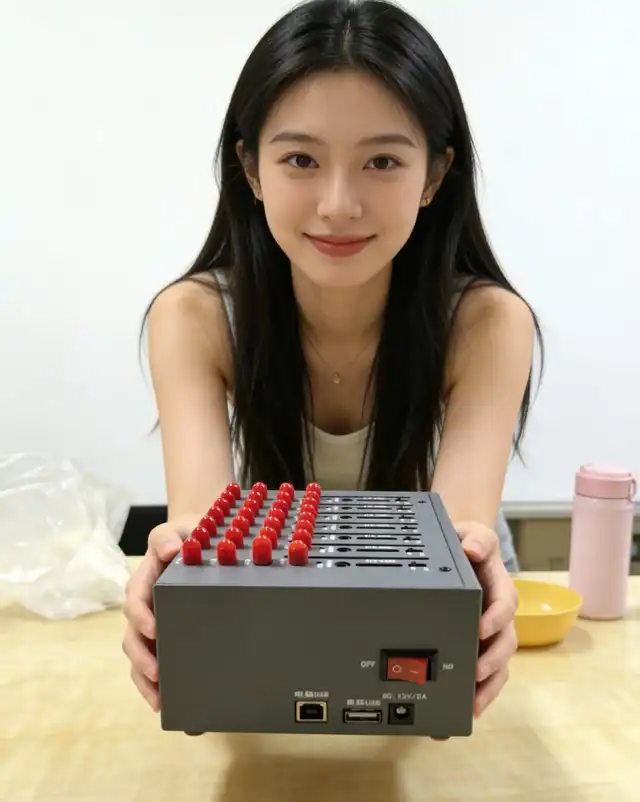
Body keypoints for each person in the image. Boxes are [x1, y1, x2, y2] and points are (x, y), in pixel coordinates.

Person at [122, 0, 543, 731]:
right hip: (282, 599)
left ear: (435, 174)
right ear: (250, 168)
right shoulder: (193, 317)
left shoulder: (488, 323)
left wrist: (473, 599)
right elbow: (199, 527)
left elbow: (456, 542)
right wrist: (174, 575)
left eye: (382, 161)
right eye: (300, 160)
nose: (338, 204)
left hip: (438, 609)